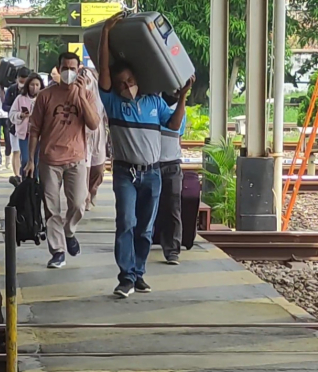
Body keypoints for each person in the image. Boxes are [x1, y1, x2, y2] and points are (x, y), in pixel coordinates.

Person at [98, 12, 192, 298]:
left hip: (153, 173)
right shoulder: (112, 102)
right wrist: (106, 33)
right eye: (121, 83)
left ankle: (138, 273)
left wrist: (184, 96)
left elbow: (174, 126)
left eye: (129, 81)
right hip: (126, 173)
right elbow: (103, 72)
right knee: (126, 222)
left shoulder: (154, 102)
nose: (127, 87)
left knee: (145, 229)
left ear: (137, 78)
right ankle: (125, 276)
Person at [24, 52, 101, 269]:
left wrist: (81, 95)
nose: (68, 72)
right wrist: (30, 159)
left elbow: (94, 124)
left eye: (72, 68)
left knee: (78, 203)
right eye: (64, 67)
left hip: (76, 159)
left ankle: (69, 232)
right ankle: (57, 251)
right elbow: (34, 130)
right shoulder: (45, 96)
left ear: (79, 70)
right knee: (51, 208)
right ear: (58, 69)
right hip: (49, 160)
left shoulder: (86, 94)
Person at [156, 90, 185, 265]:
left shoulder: (181, 109)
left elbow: (178, 136)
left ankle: (173, 250)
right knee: (148, 208)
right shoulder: (154, 103)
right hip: (152, 163)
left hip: (172, 164)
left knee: (173, 208)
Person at [10, 73, 45, 180]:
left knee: (37, 160)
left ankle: (36, 182)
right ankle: (25, 181)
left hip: (39, 135)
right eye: (32, 85)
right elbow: (11, 114)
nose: (34, 88)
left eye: (37, 85)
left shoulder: (44, 98)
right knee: (25, 159)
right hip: (24, 135)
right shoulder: (20, 98)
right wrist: (20, 115)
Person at [82, 67, 108, 211]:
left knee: (98, 168)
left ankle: (93, 190)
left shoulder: (101, 93)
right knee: (84, 168)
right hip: (83, 132)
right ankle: (85, 197)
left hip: (98, 131)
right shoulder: (80, 91)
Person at [3, 67, 31, 185]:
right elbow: (5, 106)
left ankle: (27, 175)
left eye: (25, 81)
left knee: (28, 154)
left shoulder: (34, 90)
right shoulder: (12, 90)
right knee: (16, 150)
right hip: (14, 126)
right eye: (21, 80)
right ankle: (17, 176)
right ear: (17, 79)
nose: (22, 83)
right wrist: (17, 111)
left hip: (29, 127)